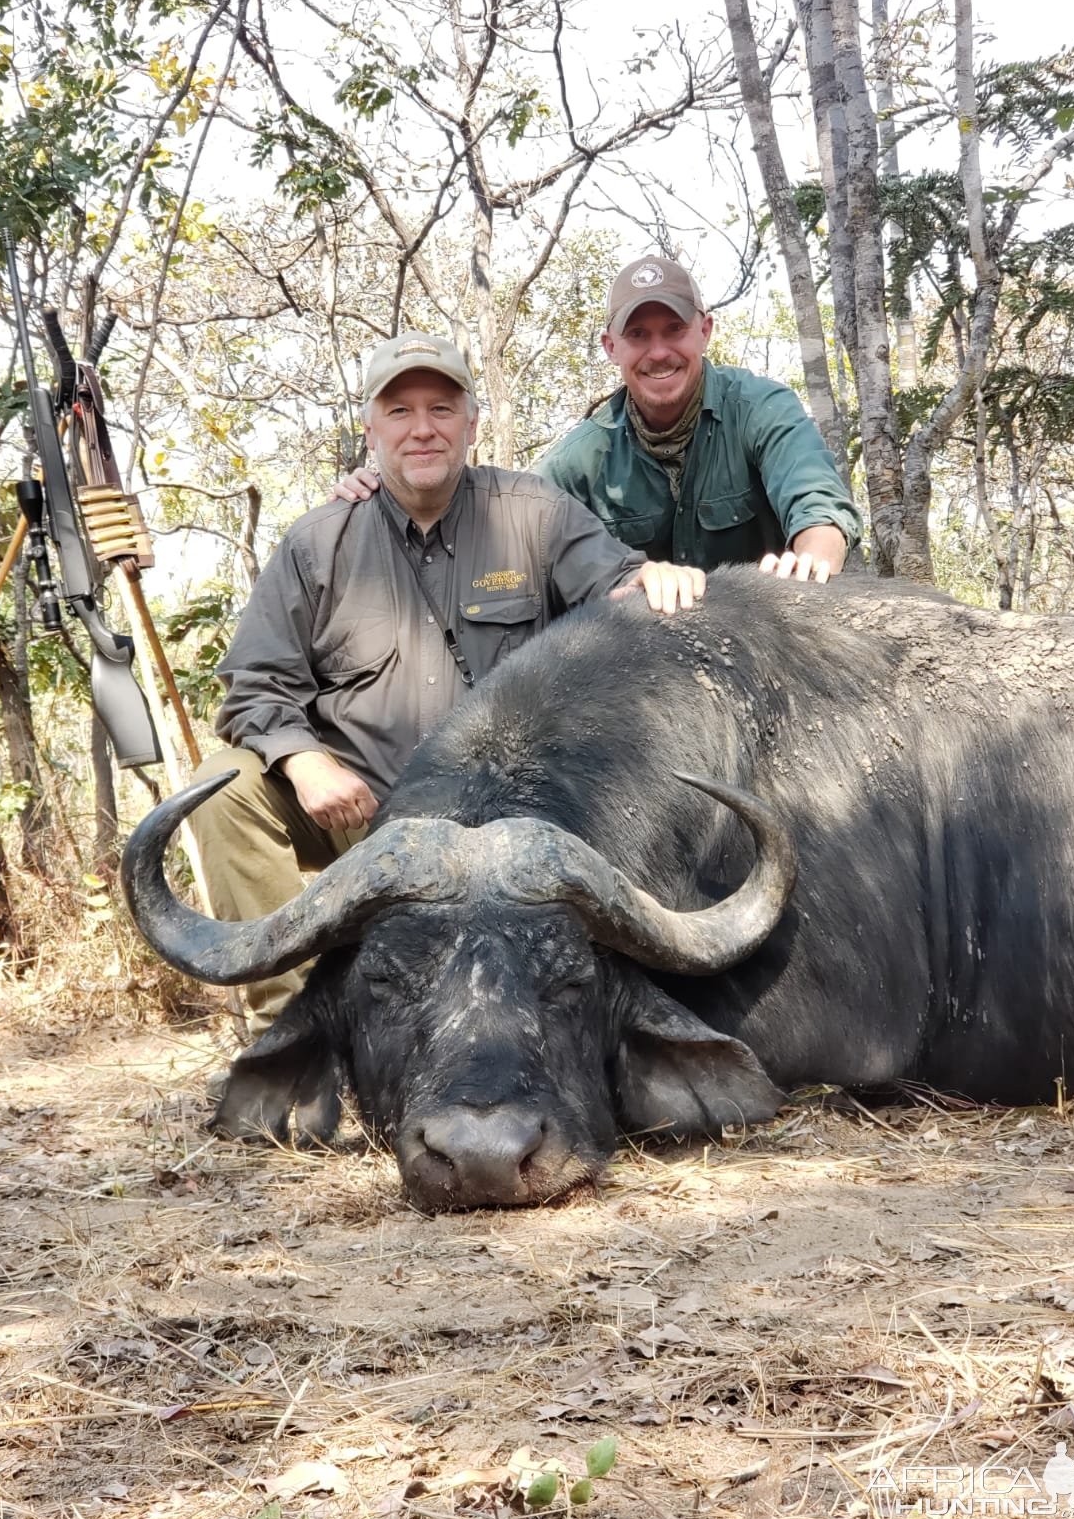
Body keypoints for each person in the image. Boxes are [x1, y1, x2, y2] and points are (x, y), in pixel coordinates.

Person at [190, 332, 706, 1035]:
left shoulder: (536, 513)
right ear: (370, 429)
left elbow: (619, 591)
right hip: (365, 826)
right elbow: (253, 684)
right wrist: (303, 759)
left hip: (508, 836)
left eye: (442, 408)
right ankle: (298, 1032)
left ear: (472, 421)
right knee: (225, 787)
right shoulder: (318, 543)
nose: (423, 428)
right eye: (399, 412)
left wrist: (656, 580)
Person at [331, 258, 863, 582]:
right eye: (638, 336)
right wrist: (397, 483)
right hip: (655, 676)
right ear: (612, 347)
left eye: (673, 330)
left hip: (775, 637)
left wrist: (811, 561)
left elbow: (818, 505)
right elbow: (501, 518)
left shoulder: (763, 408)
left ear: (705, 331)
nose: (658, 352)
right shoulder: (583, 457)